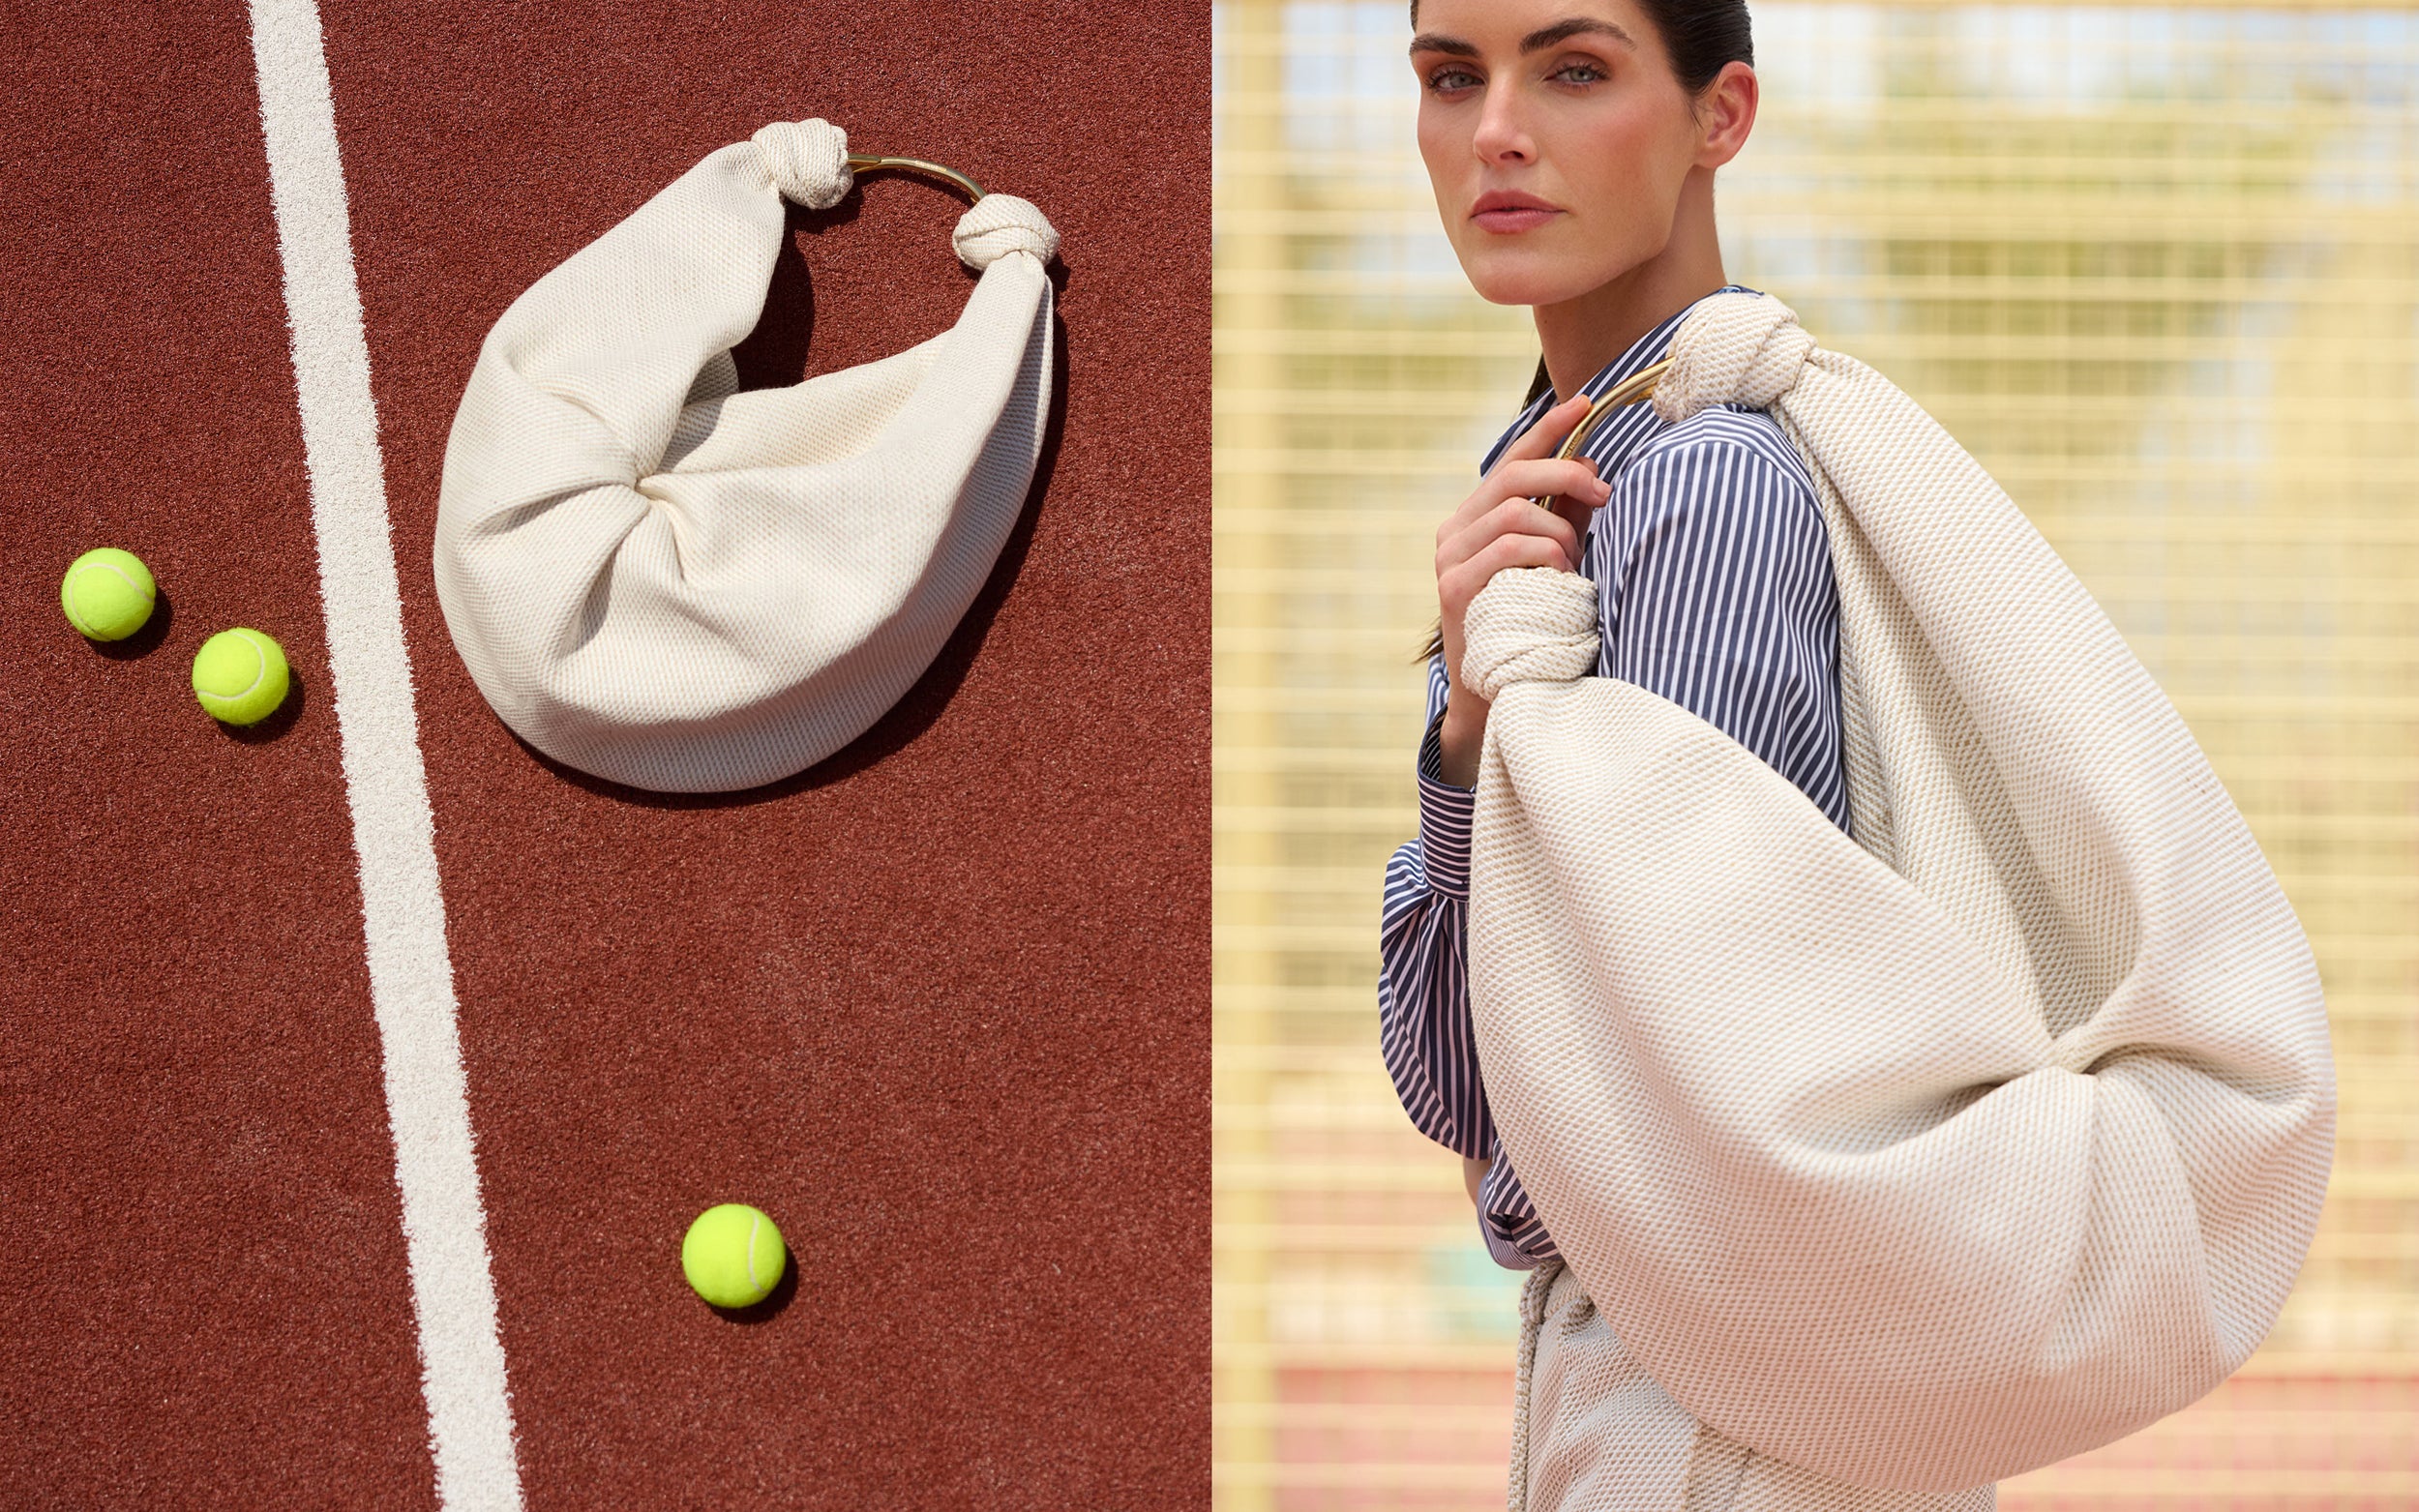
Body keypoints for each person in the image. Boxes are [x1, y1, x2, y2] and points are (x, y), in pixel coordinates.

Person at [1378, 0, 1838, 1274]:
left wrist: (1513, 1171)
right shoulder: (1555, 496)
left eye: (1574, 70)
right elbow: (1461, 1099)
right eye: (1453, 76)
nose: (1499, 133)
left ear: (1719, 116)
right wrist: (1471, 727)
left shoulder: (1703, 493)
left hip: (1713, 1427)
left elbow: (1589, 1183)